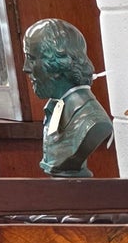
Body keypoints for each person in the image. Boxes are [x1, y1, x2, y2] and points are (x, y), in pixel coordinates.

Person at [21, 19, 113, 177]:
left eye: (31, 58)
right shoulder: (54, 109)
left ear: (58, 62)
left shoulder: (92, 120)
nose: (26, 68)